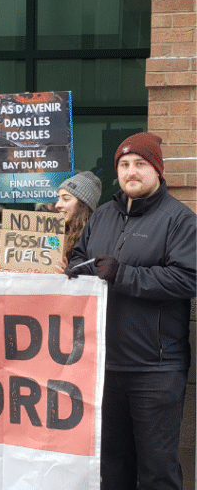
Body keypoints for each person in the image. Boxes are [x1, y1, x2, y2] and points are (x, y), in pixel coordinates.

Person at [68, 133, 196, 490]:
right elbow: (80, 257)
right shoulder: (103, 215)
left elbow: (188, 278)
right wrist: (76, 269)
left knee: (157, 471)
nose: (131, 171)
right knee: (111, 467)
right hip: (103, 365)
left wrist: (124, 275)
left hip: (155, 369)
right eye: (124, 165)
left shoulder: (179, 220)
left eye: (140, 164)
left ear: (157, 169)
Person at [54, 171, 101, 258]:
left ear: (82, 205)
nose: (57, 205)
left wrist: (67, 270)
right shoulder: (55, 233)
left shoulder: (94, 240)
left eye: (66, 199)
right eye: (58, 198)